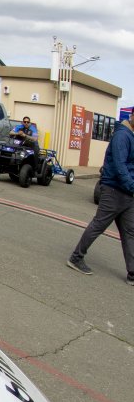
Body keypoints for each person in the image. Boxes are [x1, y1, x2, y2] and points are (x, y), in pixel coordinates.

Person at [66, 116, 134, 286]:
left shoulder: (130, 136)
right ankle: (76, 258)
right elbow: (120, 166)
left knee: (130, 232)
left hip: (127, 194)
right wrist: (132, 186)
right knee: (98, 225)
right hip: (114, 190)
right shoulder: (122, 136)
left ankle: (132, 273)